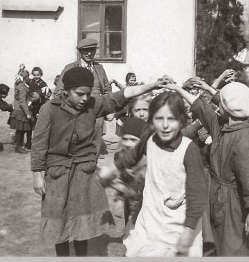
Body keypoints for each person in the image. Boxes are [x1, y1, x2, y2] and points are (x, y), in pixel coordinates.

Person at [31, 67, 168, 257]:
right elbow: (39, 143)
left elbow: (120, 96)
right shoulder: (48, 110)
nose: (85, 99)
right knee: (58, 223)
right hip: (57, 174)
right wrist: (38, 175)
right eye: (80, 94)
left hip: (84, 173)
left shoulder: (92, 105)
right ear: (66, 91)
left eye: (88, 94)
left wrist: (152, 85)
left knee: (83, 225)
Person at [168, 81, 249, 256]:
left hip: (233, 202)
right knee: (217, 243)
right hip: (217, 194)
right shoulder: (222, 125)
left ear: (226, 107)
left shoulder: (244, 138)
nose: (216, 104)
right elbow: (202, 108)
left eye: (219, 101)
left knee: (233, 246)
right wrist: (178, 88)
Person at [108, 91, 206, 257]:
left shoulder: (189, 150)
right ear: (151, 120)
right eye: (159, 119)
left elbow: (197, 195)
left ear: (182, 120)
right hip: (151, 218)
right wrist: (113, 168)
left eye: (172, 119)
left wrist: (189, 232)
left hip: (179, 225)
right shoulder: (150, 140)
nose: (165, 125)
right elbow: (132, 155)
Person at [54, 37, 112, 160]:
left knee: (96, 140)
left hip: (96, 111)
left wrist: (107, 107)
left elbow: (107, 88)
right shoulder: (70, 68)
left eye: (92, 50)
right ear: (80, 52)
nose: (89, 53)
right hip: (76, 111)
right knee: (76, 142)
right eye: (86, 51)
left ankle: (92, 163)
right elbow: (59, 91)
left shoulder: (99, 68)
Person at [27, 66, 52, 150]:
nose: (36, 77)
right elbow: (29, 92)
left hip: (39, 105)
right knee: (30, 125)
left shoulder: (43, 83)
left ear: (41, 75)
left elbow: (46, 93)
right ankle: (28, 142)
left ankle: (38, 143)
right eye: (34, 75)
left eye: (38, 75)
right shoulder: (31, 82)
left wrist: (44, 92)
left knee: (39, 125)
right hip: (32, 105)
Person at [8, 69, 32, 154]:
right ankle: (19, 147)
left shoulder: (17, 85)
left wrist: (21, 69)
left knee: (20, 131)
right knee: (20, 131)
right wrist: (28, 113)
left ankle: (19, 146)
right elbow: (23, 102)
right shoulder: (23, 88)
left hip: (17, 111)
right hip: (21, 112)